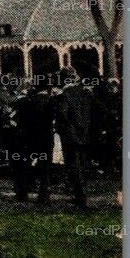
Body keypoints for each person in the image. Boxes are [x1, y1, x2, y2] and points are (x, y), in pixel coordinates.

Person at [56, 73, 94, 209]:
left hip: (70, 137)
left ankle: (80, 196)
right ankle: (82, 193)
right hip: (85, 135)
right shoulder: (86, 94)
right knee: (83, 165)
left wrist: (60, 129)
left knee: (73, 165)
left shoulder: (64, 96)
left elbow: (63, 115)